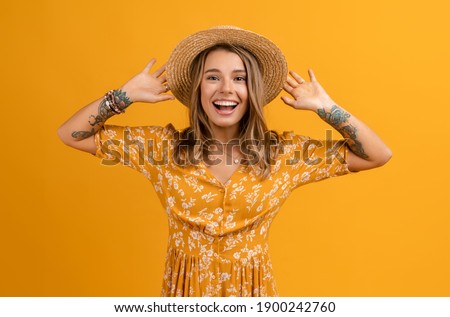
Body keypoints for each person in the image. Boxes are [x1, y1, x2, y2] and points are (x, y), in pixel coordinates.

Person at [57, 26, 392, 297]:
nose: (226, 89)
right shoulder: (161, 148)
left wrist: (326, 108)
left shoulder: (284, 154)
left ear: (253, 91)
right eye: (213, 77)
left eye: (240, 78)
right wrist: (123, 96)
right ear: (198, 88)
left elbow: (378, 154)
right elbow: (71, 133)